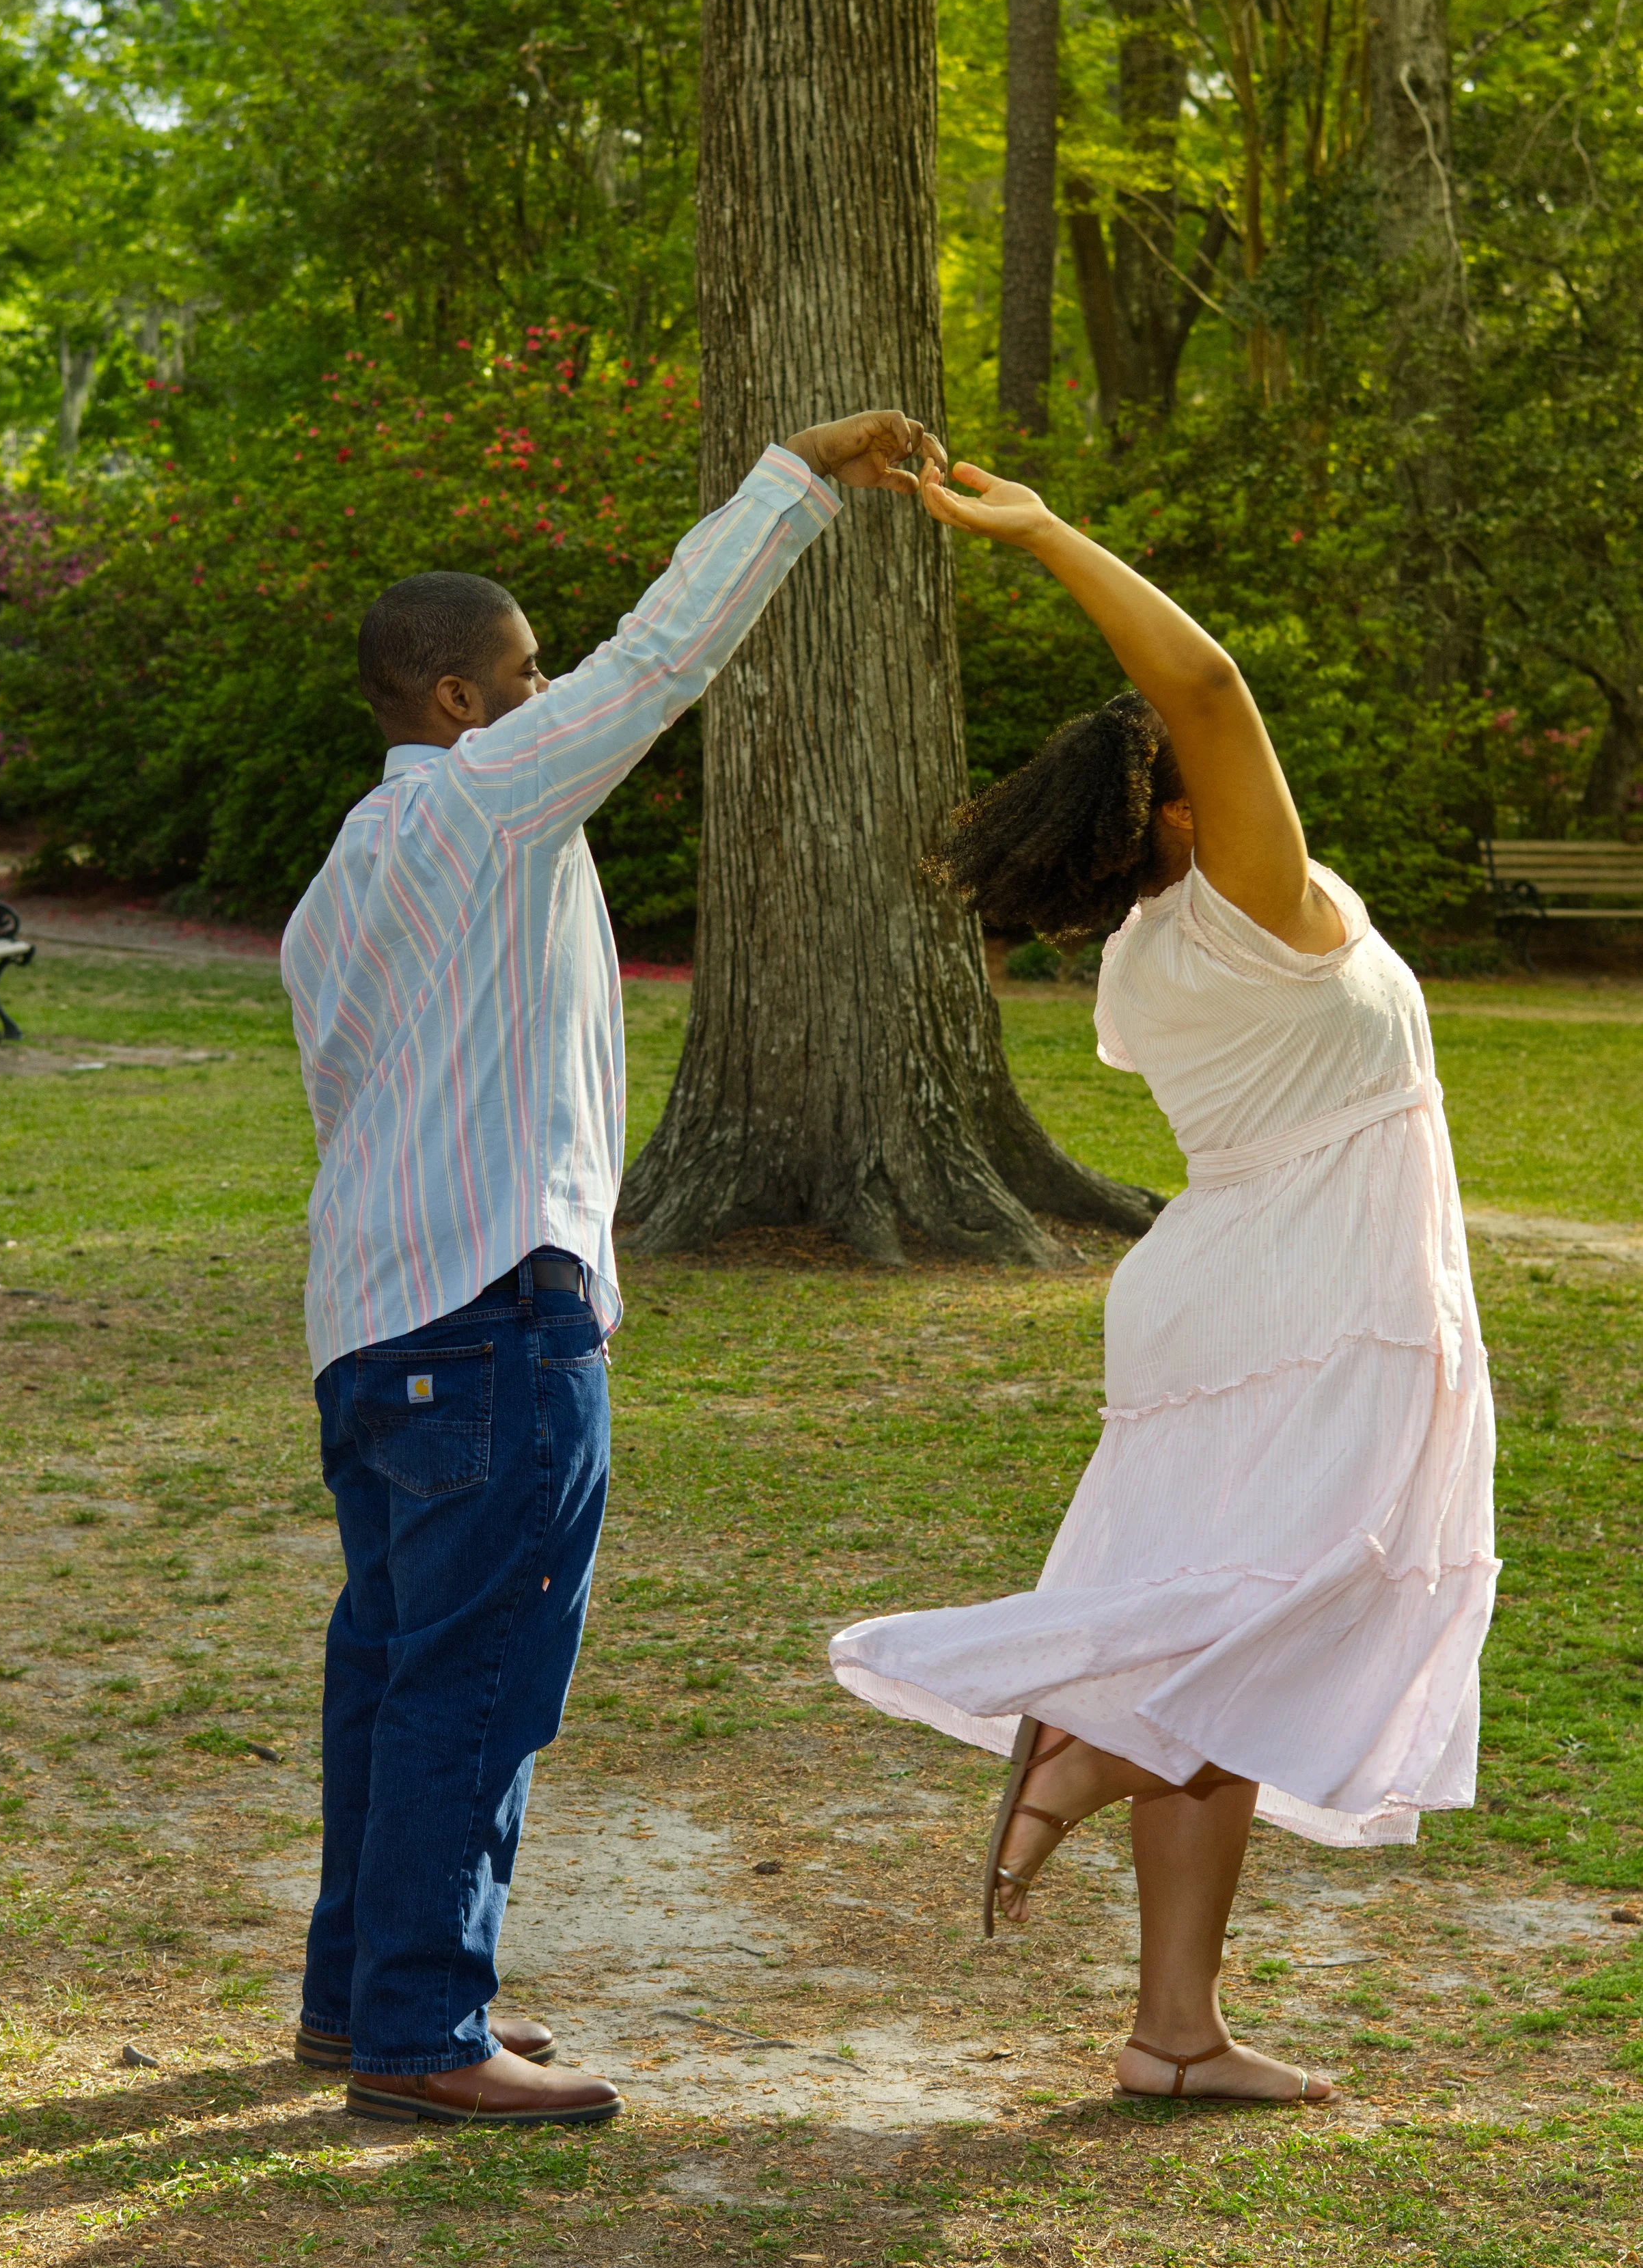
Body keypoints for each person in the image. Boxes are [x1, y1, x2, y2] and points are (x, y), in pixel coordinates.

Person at [281, 409, 947, 2125]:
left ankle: (364, 1998)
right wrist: (794, 479)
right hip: (497, 1312)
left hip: (373, 1322)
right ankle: (426, 2029)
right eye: (521, 670)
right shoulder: (489, 805)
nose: (549, 686)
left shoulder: (350, 870)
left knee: (394, 1661)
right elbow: (660, 655)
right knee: (473, 1674)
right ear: (458, 701)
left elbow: (360, 1094)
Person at [830, 460, 1497, 2107]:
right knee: (1319, 1591)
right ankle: (1092, 1743)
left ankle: (1171, 2032)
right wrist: (1045, 532)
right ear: (1177, 811)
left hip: (1221, 1290)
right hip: (1321, 1295)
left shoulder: (1145, 957)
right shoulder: (1256, 908)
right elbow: (1201, 682)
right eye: (1212, 773)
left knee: (1241, 1619)